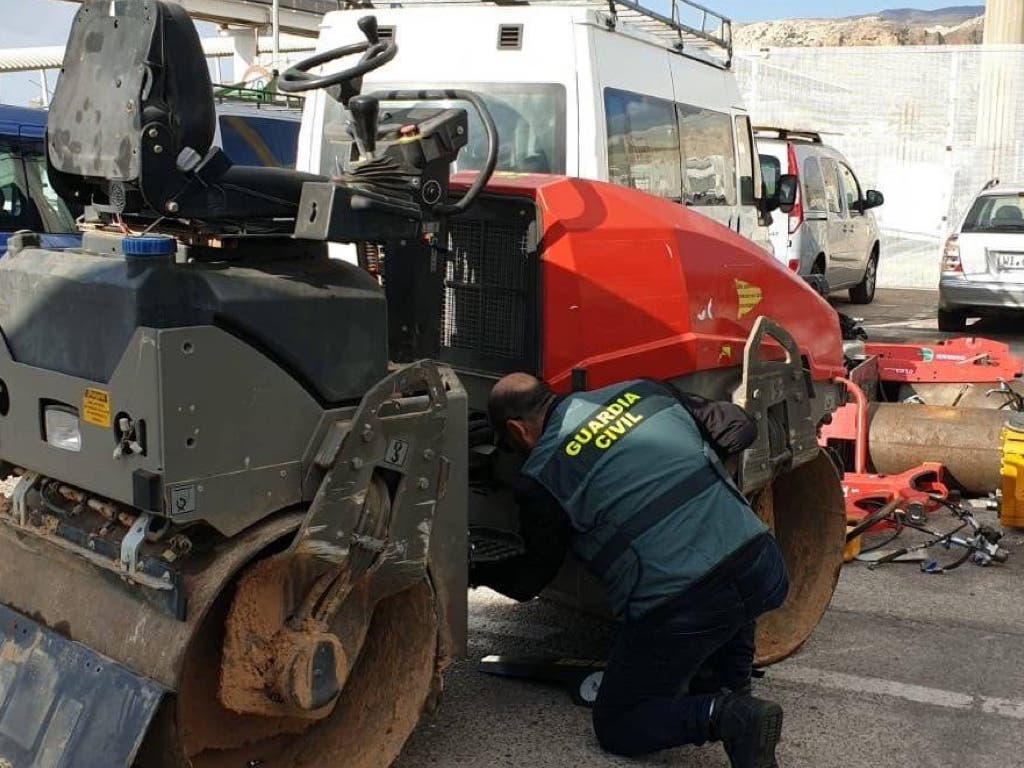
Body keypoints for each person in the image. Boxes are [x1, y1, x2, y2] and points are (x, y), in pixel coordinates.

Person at [472, 373, 790, 768]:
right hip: (763, 565)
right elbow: (740, 426)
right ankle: (732, 686)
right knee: (720, 571)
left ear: (518, 431)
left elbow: (529, 581)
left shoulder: (540, 476)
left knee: (620, 724)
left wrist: (474, 570)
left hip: (685, 602)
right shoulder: (642, 391)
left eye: (509, 445)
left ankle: (728, 715)